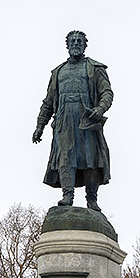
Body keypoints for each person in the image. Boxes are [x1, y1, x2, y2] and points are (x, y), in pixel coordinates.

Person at [33, 30, 113, 210]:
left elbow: (106, 93)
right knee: (65, 158)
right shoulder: (58, 72)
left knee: (90, 158)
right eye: (72, 41)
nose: (76, 43)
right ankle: (67, 196)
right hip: (64, 120)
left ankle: (91, 199)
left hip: (87, 119)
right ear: (67, 45)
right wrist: (40, 126)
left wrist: (100, 109)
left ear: (85, 45)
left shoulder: (94, 68)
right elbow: (48, 102)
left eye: (79, 41)